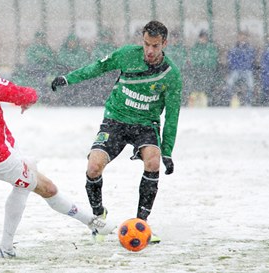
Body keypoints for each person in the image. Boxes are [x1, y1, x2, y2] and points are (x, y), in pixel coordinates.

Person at [0, 30, 114, 258]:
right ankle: (11, 246)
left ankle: (89, 223)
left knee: (37, 184)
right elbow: (19, 93)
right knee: (42, 187)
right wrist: (31, 95)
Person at [51, 21, 182, 244]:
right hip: (116, 120)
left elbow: (172, 116)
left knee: (153, 161)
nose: (149, 51)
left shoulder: (171, 75)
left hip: (145, 124)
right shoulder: (126, 55)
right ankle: (98, 218)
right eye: (146, 44)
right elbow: (97, 67)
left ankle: (142, 224)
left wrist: (167, 150)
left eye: (155, 46)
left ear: (164, 44)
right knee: (93, 167)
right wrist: (68, 78)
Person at [225, 31, 257, 106]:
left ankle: (248, 102)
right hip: (236, 71)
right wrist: (231, 69)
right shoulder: (233, 49)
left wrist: (244, 65)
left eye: (244, 37)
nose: (242, 39)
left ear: (246, 38)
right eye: (241, 37)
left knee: (251, 84)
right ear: (238, 38)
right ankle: (232, 100)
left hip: (247, 70)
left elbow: (250, 60)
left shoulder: (250, 49)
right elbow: (230, 61)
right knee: (229, 83)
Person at [188, 30, 220, 106]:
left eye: (205, 37)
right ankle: (196, 97)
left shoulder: (211, 47)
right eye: (202, 37)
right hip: (197, 69)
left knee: (209, 81)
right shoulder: (195, 47)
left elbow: (213, 59)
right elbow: (193, 58)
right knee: (194, 80)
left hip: (209, 69)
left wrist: (206, 64)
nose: (203, 39)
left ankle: (208, 98)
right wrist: (200, 64)